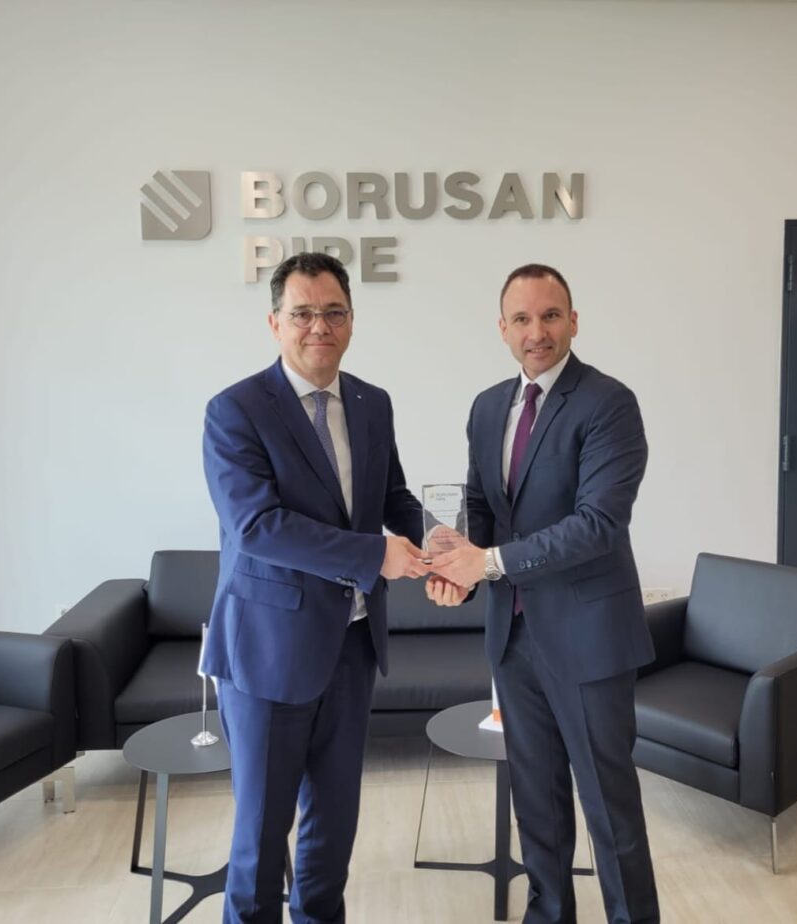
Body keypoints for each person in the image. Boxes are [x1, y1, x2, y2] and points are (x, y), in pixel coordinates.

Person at [429, 264, 660, 924]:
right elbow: (483, 508)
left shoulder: (608, 403)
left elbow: (598, 524)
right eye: (523, 319)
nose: (538, 332)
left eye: (551, 315)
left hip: (589, 640)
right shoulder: (486, 407)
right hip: (513, 638)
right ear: (502, 329)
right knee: (537, 803)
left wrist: (488, 562)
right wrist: (452, 562)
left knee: (609, 809)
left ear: (574, 321)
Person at [202, 252, 428, 924]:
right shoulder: (235, 410)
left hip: (352, 646)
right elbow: (257, 527)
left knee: (333, 827)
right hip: (269, 652)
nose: (318, 326)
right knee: (261, 838)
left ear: (352, 321)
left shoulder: (371, 402)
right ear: (275, 323)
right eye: (302, 313)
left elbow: (391, 498)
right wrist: (376, 555)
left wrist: (442, 543)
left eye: (333, 312)